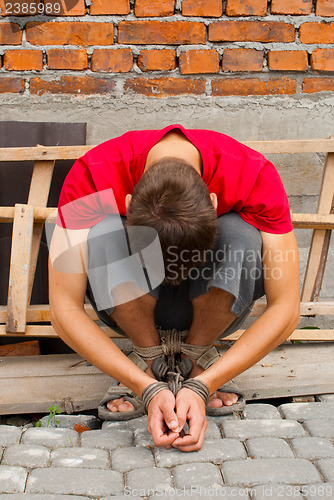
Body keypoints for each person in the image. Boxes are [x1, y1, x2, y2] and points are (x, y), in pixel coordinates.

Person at [49, 124, 300, 452]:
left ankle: (196, 362)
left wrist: (205, 384)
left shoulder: (253, 175)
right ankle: (148, 361)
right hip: (132, 312)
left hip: (210, 312)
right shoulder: (93, 175)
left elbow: (287, 307)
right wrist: (144, 388)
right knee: (103, 230)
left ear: (212, 200)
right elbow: (63, 307)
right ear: (128, 202)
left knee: (240, 233)